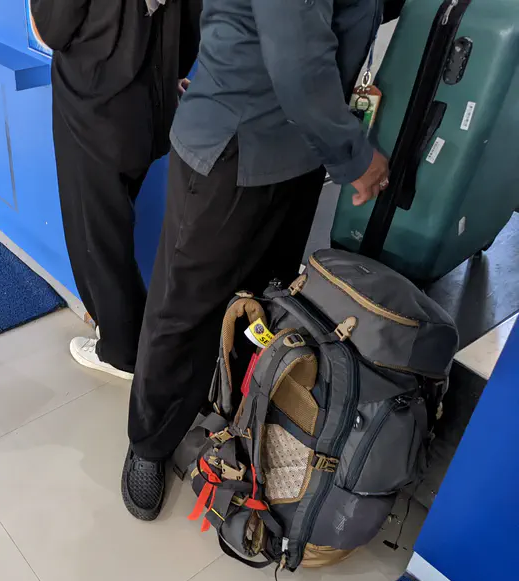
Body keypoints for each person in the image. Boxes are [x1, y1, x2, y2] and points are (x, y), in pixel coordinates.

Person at [121, 0, 391, 520]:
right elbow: (297, 59)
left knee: (262, 305)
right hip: (233, 147)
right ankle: (150, 443)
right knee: (185, 308)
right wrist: (354, 157)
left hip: (297, 152)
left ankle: (237, 416)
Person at [30, 0, 202, 380]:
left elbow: (51, 30)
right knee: (115, 222)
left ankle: (123, 351)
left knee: (97, 235)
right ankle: (122, 326)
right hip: (153, 102)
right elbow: (192, 21)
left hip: (95, 106)